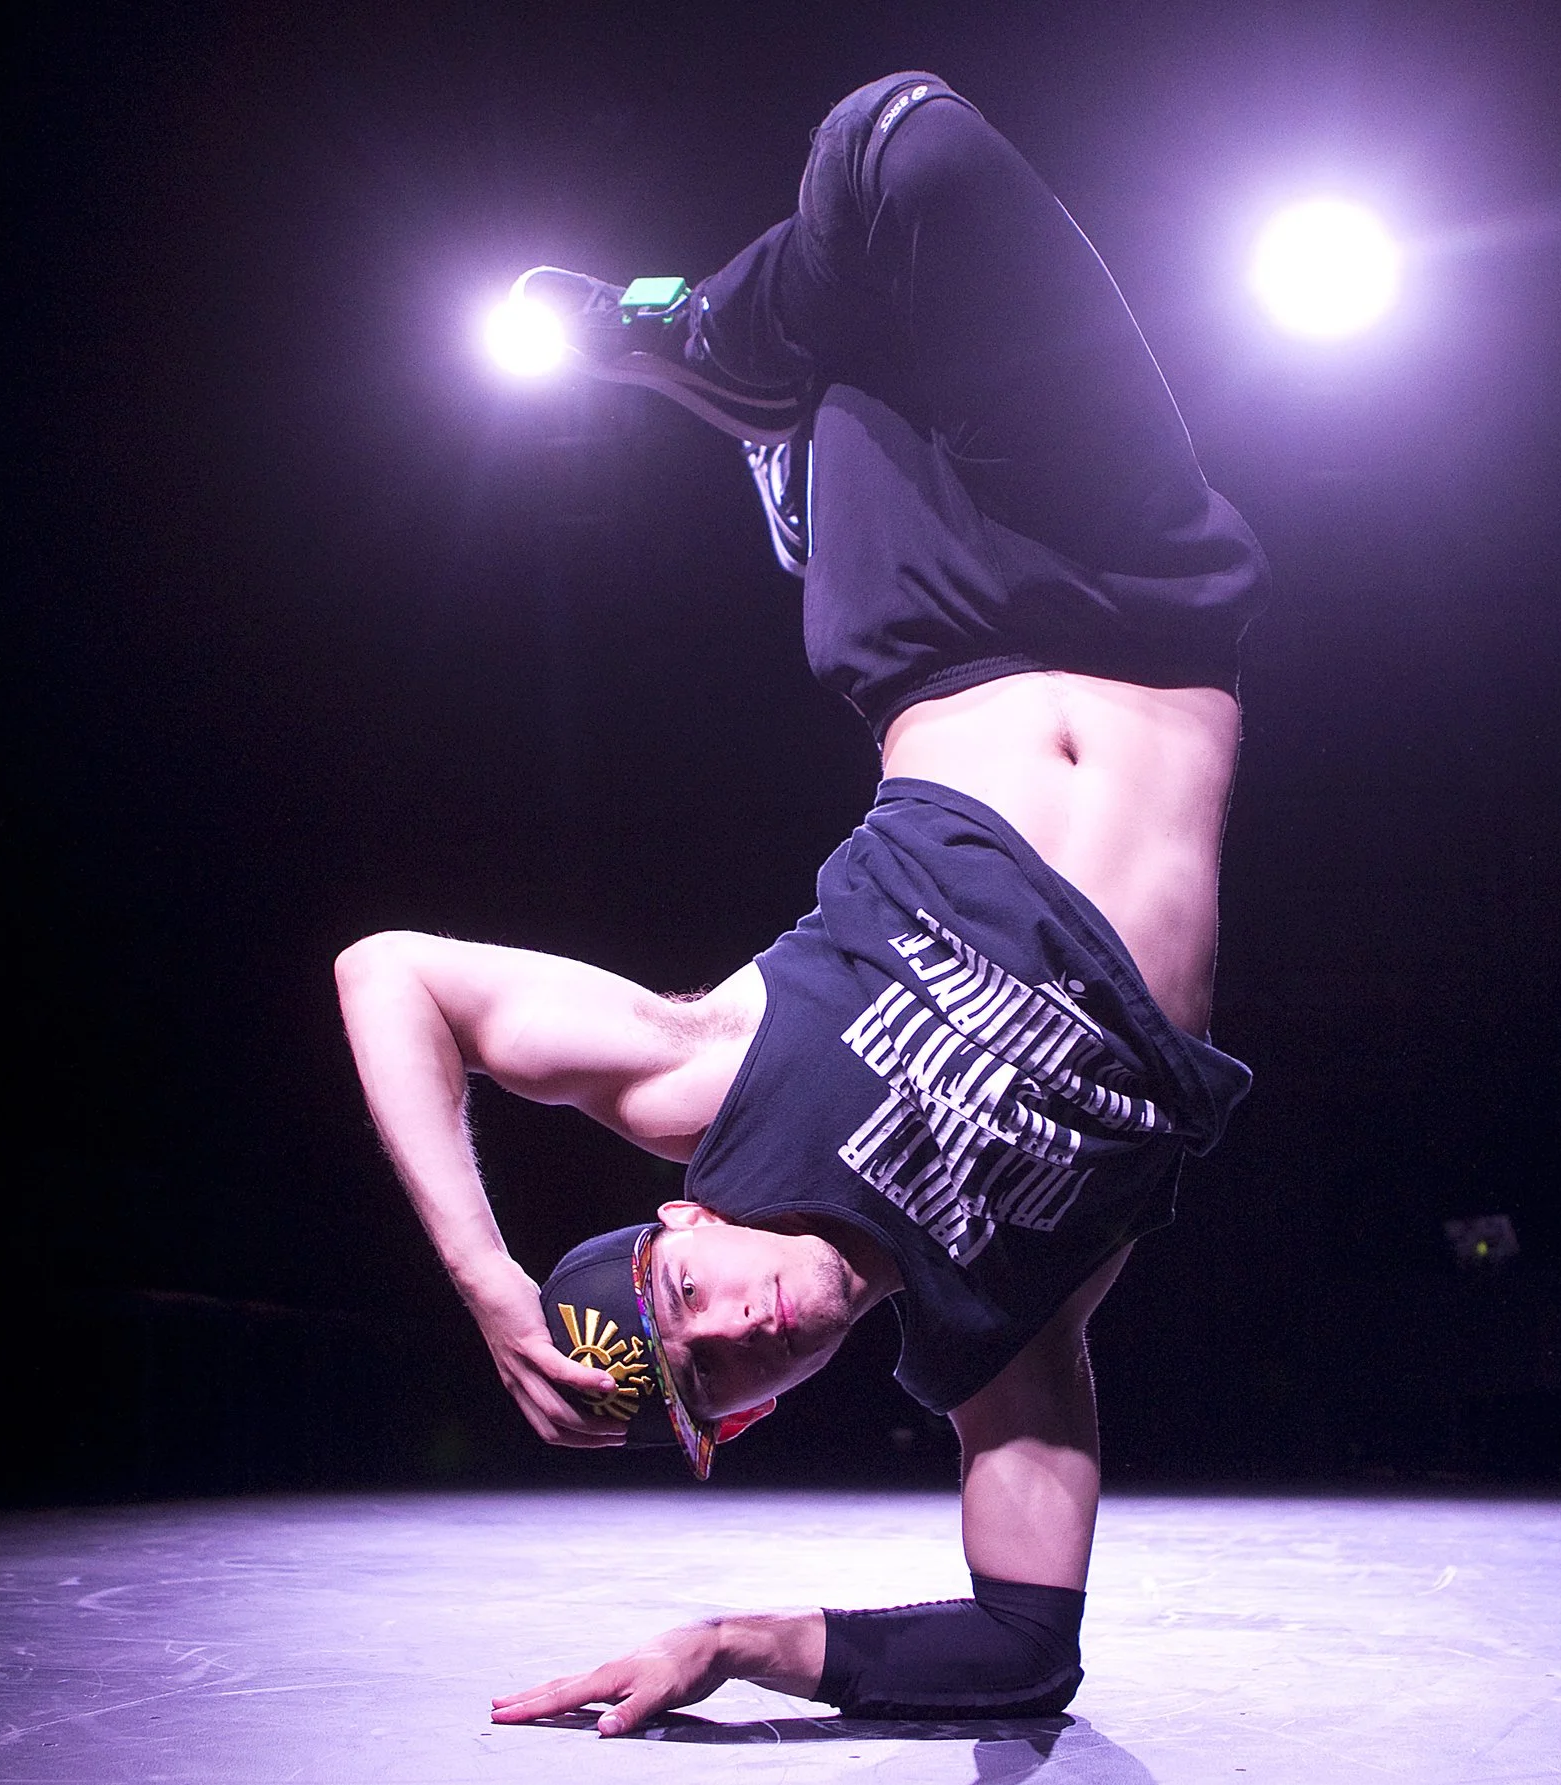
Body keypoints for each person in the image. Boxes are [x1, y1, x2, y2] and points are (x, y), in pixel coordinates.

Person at [336, 73, 1266, 1733]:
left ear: (683, 1224)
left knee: (895, 143)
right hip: (1146, 584)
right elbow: (1024, 1652)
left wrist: (487, 1280)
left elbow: (388, 972)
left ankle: (719, 350)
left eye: (693, 1303)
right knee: (900, 228)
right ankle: (789, 435)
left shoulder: (719, 1086)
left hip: (937, 626)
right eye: (725, 1373)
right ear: (757, 1412)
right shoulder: (1002, 1327)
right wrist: (735, 1641)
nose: (747, 1324)